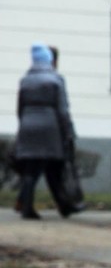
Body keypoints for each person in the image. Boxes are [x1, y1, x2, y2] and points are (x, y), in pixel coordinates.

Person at [13, 43, 81, 219]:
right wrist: (68, 131)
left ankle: (63, 205)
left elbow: (19, 108)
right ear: (50, 61)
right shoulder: (56, 79)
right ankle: (29, 208)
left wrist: (24, 125)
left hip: (28, 125)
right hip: (49, 128)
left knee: (38, 167)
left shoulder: (25, 80)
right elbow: (62, 110)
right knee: (45, 167)